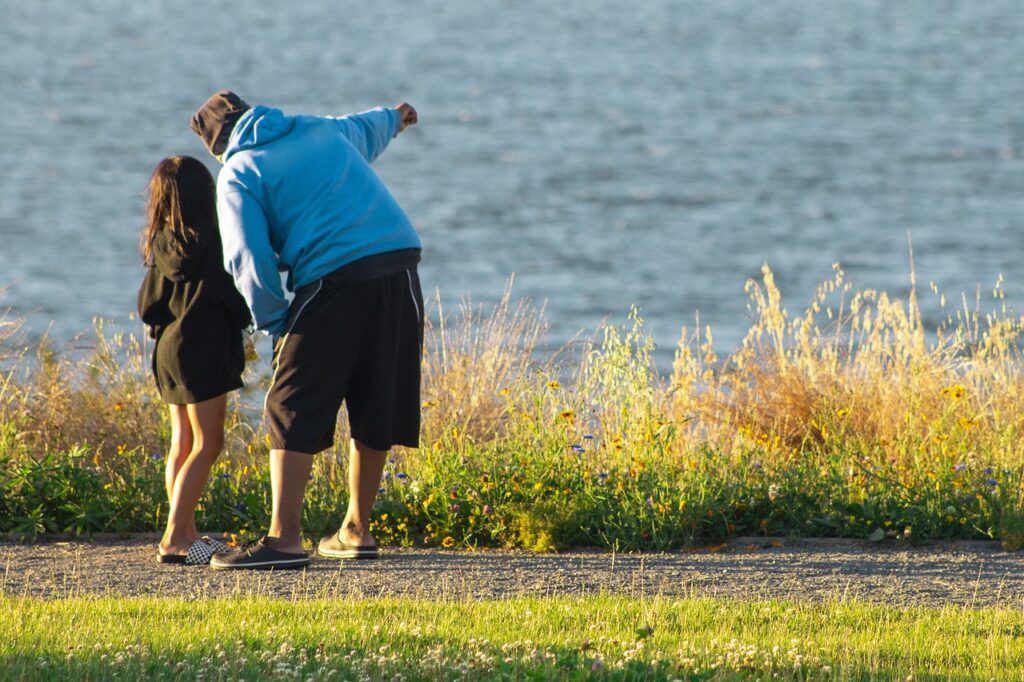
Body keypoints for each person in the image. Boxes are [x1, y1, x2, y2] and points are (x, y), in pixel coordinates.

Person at [189, 90, 423, 570]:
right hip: (400, 261)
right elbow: (363, 127)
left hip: (334, 275)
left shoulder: (238, 172)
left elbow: (247, 259)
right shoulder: (314, 128)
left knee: (290, 401)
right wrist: (396, 117)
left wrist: (276, 322)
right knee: (377, 391)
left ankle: (284, 540)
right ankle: (356, 530)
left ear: (216, 146)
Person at [137, 155, 252, 565]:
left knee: (181, 442)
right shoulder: (216, 239)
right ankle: (174, 539)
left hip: (168, 350)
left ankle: (187, 531)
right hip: (204, 348)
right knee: (208, 442)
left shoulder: (161, 241)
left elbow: (148, 306)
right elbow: (234, 298)